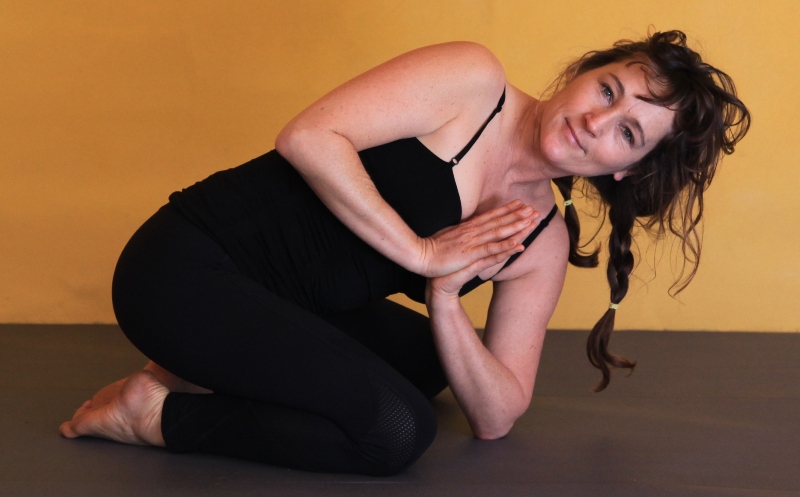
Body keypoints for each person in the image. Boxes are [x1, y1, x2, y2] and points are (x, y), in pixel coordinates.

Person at [60, 30, 750, 476]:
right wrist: (422, 255)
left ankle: (203, 359)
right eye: (607, 89)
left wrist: (446, 296)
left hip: (280, 296)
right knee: (396, 430)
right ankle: (152, 415)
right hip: (185, 266)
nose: (594, 121)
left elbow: (498, 410)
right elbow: (307, 136)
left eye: (627, 131)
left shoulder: (540, 237)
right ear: (585, 70)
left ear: (626, 169)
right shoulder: (472, 83)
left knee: (431, 359)